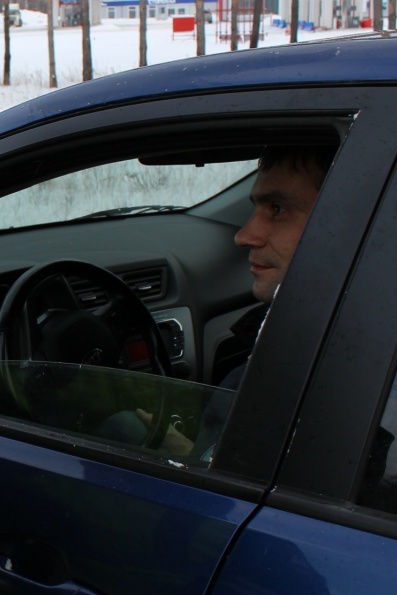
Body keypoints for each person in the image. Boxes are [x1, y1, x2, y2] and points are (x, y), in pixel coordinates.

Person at [128, 145, 335, 458]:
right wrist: (196, 452)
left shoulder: (316, 373)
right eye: (255, 209)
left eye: (278, 209)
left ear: (348, 223)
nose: (244, 235)